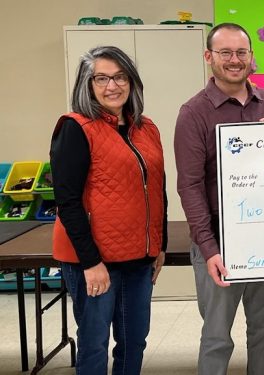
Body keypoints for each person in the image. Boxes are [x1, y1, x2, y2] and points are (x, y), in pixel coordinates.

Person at [174, 23, 264, 375]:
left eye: (241, 53)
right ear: (209, 57)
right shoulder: (193, 113)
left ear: (252, 57)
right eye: (225, 53)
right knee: (216, 336)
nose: (234, 60)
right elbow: (189, 185)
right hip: (220, 244)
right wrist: (210, 249)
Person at [51, 45, 168, 374]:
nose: (111, 86)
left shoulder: (147, 129)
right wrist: (91, 263)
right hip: (93, 261)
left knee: (135, 341)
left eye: (120, 77)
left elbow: (157, 188)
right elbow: (68, 202)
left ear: (132, 82)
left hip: (139, 259)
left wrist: (158, 246)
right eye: (101, 78)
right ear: (87, 85)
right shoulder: (75, 128)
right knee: (94, 342)